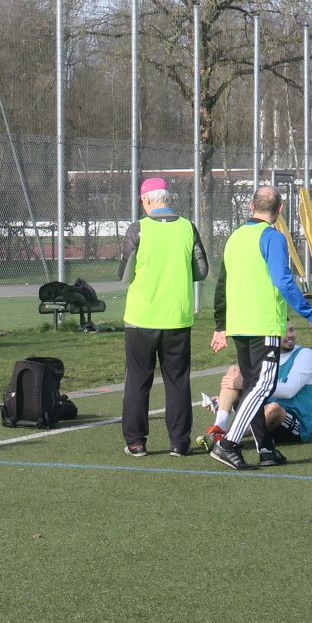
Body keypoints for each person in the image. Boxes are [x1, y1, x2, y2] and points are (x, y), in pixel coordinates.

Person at [209, 186, 312, 470]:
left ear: (251, 206)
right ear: (280, 210)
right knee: (262, 386)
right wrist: (310, 315)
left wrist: (221, 325)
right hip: (264, 324)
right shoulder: (272, 237)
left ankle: (266, 448)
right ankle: (228, 444)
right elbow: (283, 280)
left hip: (239, 324)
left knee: (252, 387)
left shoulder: (235, 237)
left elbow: (222, 284)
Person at [117, 177, 208, 457]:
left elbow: (124, 275)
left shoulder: (138, 229)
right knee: (177, 381)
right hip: (177, 318)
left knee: (137, 380)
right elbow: (201, 270)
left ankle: (136, 442)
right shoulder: (187, 228)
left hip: (141, 318)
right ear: (168, 199)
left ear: (146, 200)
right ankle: (179, 442)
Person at [199, 323, 312, 447]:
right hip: (263, 411)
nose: (290, 335)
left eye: (291, 330)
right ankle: (219, 427)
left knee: (273, 408)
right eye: (284, 332)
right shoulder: (265, 354)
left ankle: (227, 438)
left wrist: (245, 384)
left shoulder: (305, 355)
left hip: (294, 424)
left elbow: (289, 391)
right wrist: (230, 396)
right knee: (234, 371)